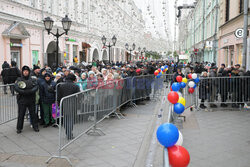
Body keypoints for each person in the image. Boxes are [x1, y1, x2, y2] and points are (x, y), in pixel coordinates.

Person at [14, 66, 39, 133]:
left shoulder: (33, 79)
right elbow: (16, 87)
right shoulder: (19, 79)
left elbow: (36, 86)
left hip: (31, 99)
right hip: (22, 100)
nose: (25, 72)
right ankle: (19, 128)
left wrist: (30, 91)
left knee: (33, 114)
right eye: (24, 71)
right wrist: (24, 92)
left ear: (29, 72)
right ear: (22, 72)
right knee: (21, 114)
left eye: (27, 71)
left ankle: (35, 126)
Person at [57, 74, 80, 140]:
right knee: (70, 119)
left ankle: (67, 133)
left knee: (66, 119)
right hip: (72, 104)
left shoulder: (61, 85)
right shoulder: (75, 86)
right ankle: (69, 134)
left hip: (63, 104)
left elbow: (58, 96)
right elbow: (79, 95)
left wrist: (58, 104)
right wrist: (78, 103)